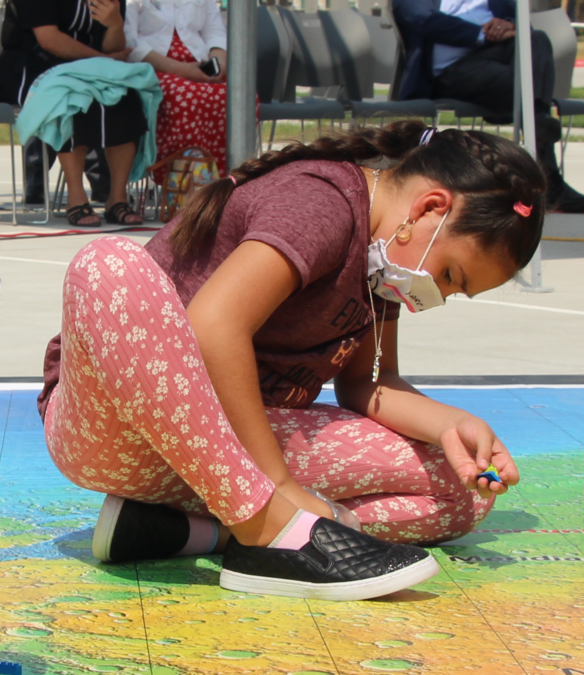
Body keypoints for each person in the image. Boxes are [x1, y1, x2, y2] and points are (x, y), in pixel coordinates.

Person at [38, 121, 547, 600]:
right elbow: (215, 327)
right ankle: (265, 530)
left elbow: (369, 383)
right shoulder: (322, 202)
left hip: (224, 456)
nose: (438, 295)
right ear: (430, 208)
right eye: (452, 275)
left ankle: (188, 530)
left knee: (462, 492)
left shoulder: (385, 265)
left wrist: (452, 426)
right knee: (109, 265)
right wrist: (278, 484)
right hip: (117, 430)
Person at [394, 0, 584, 213]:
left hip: (495, 58)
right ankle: (548, 176)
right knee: (525, 84)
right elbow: (419, 18)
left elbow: (520, 23)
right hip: (450, 72)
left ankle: (538, 129)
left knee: (535, 40)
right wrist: (482, 33)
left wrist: (509, 26)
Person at [0, 0, 147, 226]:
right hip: (33, 62)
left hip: (90, 65)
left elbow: (112, 47)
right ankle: (76, 197)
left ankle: (117, 199)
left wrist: (115, 25)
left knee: (124, 96)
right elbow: (49, 39)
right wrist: (103, 61)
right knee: (71, 97)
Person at [124, 0, 233, 184]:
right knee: (185, 96)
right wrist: (182, 70)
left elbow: (215, 32)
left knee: (236, 97)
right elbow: (129, 43)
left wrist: (219, 64)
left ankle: (223, 182)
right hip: (152, 68)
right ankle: (184, 184)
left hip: (200, 66)